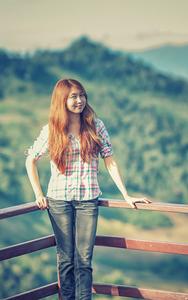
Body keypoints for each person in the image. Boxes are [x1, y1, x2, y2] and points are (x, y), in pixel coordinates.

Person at [25, 78, 151, 300]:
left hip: (88, 200)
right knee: (65, 259)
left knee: (84, 260)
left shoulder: (96, 125)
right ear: (62, 100)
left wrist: (126, 194)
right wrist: (38, 194)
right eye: (73, 96)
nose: (79, 100)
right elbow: (30, 160)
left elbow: (109, 160)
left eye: (82, 95)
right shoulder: (52, 130)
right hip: (58, 200)